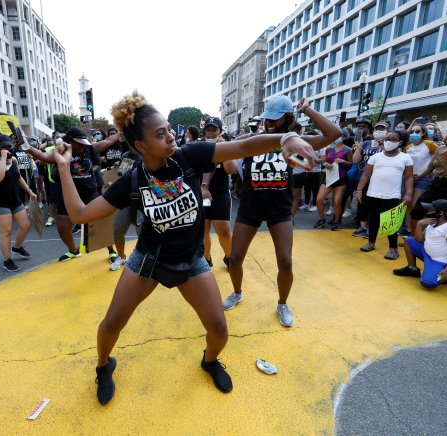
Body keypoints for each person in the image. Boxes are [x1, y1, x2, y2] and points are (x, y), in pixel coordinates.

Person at [48, 90, 318, 405]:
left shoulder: (190, 155)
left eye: (169, 130)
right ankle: (104, 366)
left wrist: (285, 138)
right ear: (141, 146)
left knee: (219, 328)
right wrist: (64, 168)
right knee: (111, 324)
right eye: (160, 135)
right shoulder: (132, 181)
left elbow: (243, 146)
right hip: (148, 261)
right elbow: (80, 214)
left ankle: (210, 361)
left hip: (191, 262)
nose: (170, 137)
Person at [223, 95, 341, 328]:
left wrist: (307, 110)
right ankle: (237, 293)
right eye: (268, 118)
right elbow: (222, 150)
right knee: (235, 259)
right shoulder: (252, 139)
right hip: (250, 208)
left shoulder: (295, 142)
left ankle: (282, 303)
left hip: (280, 210)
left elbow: (333, 134)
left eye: (276, 120)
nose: (269, 123)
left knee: (285, 262)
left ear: (288, 119)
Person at [26, 128, 120, 262]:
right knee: (63, 228)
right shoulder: (61, 153)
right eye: (79, 143)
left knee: (101, 225)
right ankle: (74, 251)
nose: (83, 146)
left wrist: (121, 131)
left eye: (84, 143)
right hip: (68, 195)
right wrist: (26, 146)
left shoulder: (89, 149)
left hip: (89, 192)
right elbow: (43, 157)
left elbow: (108, 141)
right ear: (70, 141)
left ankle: (111, 251)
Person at [356, 130, 414, 259]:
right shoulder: (376, 157)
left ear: (400, 142)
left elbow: (409, 177)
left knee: (390, 221)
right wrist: (359, 190)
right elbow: (366, 175)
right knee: (374, 218)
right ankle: (371, 242)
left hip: (392, 195)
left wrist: (409, 194)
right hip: (373, 193)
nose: (388, 141)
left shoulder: (405, 157)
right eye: (387, 138)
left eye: (393, 139)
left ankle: (393, 248)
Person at [0, 134, 37, 272]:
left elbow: (18, 176)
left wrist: (29, 190)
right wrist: (3, 158)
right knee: (6, 231)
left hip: (14, 198)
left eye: (10, 147)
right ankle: (7, 260)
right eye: (4, 148)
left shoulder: (13, 159)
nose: (8, 150)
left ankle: (17, 247)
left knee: (26, 225)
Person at [394, 200, 447, 288]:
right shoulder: (432, 225)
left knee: (427, 283)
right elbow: (419, 239)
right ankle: (412, 269)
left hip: (442, 262)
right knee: (409, 241)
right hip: (429, 257)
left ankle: (445, 275)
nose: (428, 213)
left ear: (440, 213)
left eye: (431, 211)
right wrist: (419, 224)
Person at [200, 117, 237, 268]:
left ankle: (229, 258)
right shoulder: (199, 147)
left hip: (220, 193)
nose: (210, 133)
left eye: (214, 130)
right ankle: (205, 260)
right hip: (202, 193)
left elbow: (231, 169)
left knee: (224, 230)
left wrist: (223, 149)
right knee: (203, 229)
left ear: (220, 131)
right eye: (208, 130)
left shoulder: (226, 146)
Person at [108, 140, 143, 271]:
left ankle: (143, 258)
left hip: (140, 201)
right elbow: (122, 177)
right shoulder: (125, 155)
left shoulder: (143, 156)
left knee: (142, 234)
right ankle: (121, 258)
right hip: (124, 200)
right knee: (117, 231)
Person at [399, 124, 438, 236]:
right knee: (408, 204)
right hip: (409, 178)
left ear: (423, 133)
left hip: (423, 178)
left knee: (416, 205)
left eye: (417, 131)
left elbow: (440, 157)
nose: (414, 134)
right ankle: (410, 229)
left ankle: (417, 231)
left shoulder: (430, 145)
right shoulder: (408, 147)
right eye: (412, 131)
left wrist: (432, 171)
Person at [351, 120, 387, 238]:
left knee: (375, 205)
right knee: (362, 203)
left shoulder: (388, 145)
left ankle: (372, 228)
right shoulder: (366, 143)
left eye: (382, 129)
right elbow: (356, 160)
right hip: (362, 178)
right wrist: (358, 146)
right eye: (377, 129)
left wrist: (384, 146)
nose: (379, 131)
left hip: (378, 180)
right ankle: (363, 226)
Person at [313, 130, 353, 230]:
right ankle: (321, 219)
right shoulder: (329, 149)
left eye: (339, 136)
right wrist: (327, 166)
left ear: (344, 138)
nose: (336, 138)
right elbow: (324, 162)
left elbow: (351, 164)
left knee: (337, 202)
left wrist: (343, 161)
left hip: (341, 178)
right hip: (330, 177)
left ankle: (336, 222)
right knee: (319, 199)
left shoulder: (347, 150)